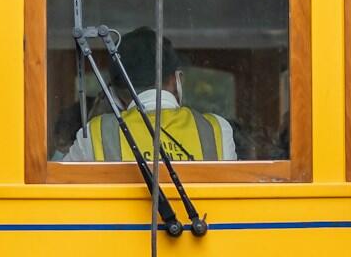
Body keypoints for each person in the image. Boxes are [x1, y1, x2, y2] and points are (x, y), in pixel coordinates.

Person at [66, 26, 236, 162]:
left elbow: (59, 186)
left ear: (114, 95)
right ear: (177, 80)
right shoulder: (217, 131)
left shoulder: (95, 134)